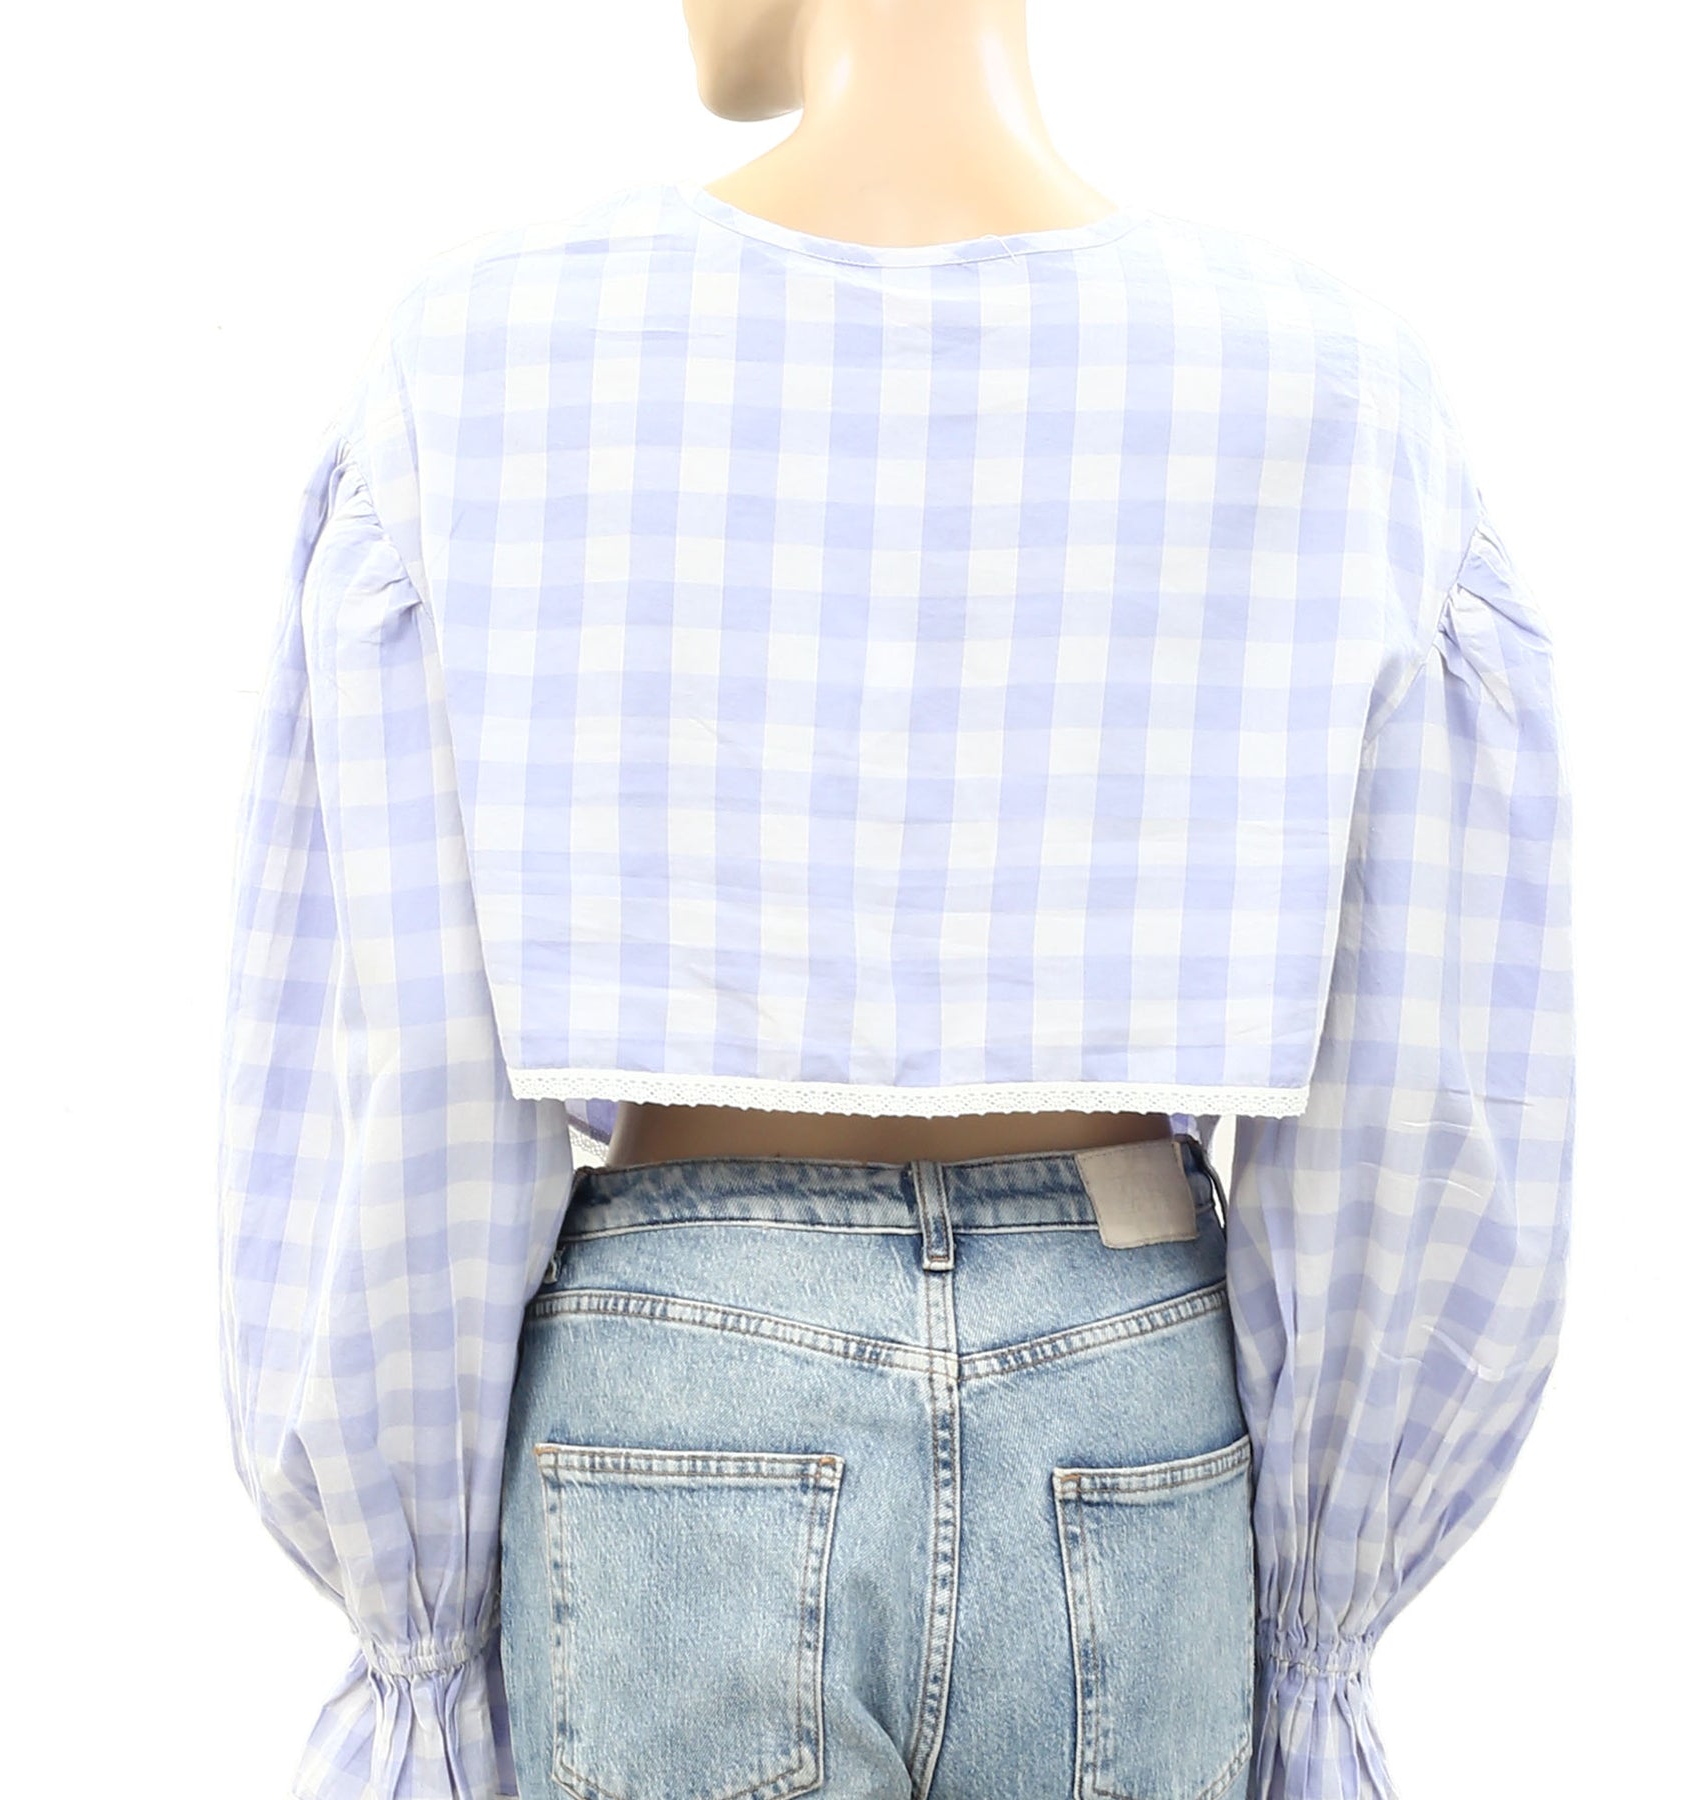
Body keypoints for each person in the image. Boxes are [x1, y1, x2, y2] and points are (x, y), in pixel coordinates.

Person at [215, 3, 1576, 1797]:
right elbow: (1420, 1105)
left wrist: (415, 1645)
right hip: (1130, 1371)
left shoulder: (485, 355)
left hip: (674, 1377)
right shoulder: (1329, 379)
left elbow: (409, 1087)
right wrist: (1322, 1615)